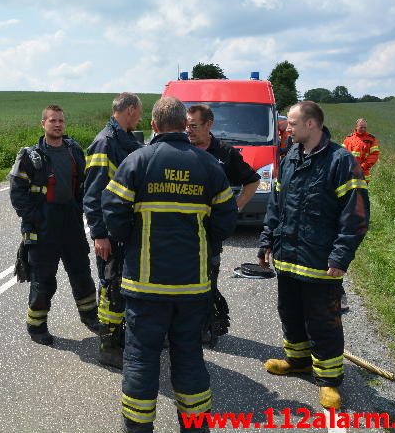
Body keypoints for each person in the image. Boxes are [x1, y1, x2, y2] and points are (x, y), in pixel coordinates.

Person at [103, 96, 238, 433]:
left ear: (153, 125)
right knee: (189, 358)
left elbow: (114, 215)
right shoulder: (207, 165)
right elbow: (225, 220)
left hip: (144, 288)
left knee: (141, 360)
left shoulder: (137, 161)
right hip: (192, 287)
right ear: (183, 125)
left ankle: (137, 428)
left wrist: (133, 238)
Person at [258, 101, 369, 411]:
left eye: (291, 123)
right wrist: (267, 241)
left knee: (323, 323)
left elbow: (356, 215)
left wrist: (340, 256)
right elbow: (276, 206)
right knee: (290, 314)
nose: (286, 128)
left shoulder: (341, 161)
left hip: (320, 263)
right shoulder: (290, 157)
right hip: (288, 259)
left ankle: (330, 381)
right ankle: (297, 361)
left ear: (311, 125)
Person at [8, 104, 98, 346]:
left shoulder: (74, 151)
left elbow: (84, 185)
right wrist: (34, 219)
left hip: (71, 222)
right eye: (52, 121)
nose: (57, 124)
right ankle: (36, 325)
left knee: (81, 271)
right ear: (43, 124)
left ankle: (90, 315)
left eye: (60, 120)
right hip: (43, 225)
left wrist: (79, 209)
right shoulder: (30, 156)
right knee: (43, 278)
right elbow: (17, 193)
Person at [186, 104, 260, 345]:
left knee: (208, 279)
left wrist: (235, 208)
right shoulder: (181, 149)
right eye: (187, 125)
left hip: (211, 231)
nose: (189, 130)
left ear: (209, 125)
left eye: (194, 126)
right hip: (183, 229)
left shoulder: (225, 154)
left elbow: (252, 181)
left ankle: (206, 327)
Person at [83, 92, 144, 368]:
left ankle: (120, 339)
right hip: (109, 232)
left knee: (121, 286)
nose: (141, 117)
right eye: (139, 111)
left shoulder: (125, 139)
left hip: (124, 231)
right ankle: (108, 347)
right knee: (110, 288)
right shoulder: (105, 142)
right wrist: (99, 234)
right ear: (129, 110)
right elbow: (93, 194)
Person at [343, 118, 380, 183]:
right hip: (349, 172)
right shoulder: (348, 138)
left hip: (363, 173)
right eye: (361, 127)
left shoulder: (371, 139)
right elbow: (342, 154)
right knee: (348, 192)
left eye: (365, 127)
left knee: (361, 192)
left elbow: (374, 155)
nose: (363, 129)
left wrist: (363, 166)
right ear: (356, 127)